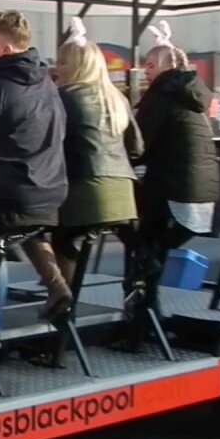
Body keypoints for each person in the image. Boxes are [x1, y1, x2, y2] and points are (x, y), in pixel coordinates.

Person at [0, 9, 71, 320]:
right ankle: (57, 285)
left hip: (11, 194)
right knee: (17, 227)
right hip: (49, 191)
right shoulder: (47, 84)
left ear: (6, 49)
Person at [51, 17, 140, 286]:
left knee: (60, 239)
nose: (57, 68)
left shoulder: (63, 98)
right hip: (124, 192)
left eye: (63, 62)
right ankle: (140, 293)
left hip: (86, 188)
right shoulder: (117, 98)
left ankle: (65, 298)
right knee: (132, 244)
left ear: (79, 66)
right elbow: (137, 146)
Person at [132, 21, 220, 284]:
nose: (145, 71)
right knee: (157, 247)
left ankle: (142, 305)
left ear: (168, 66)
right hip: (202, 190)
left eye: (150, 65)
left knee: (141, 239)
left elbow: (139, 143)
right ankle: (147, 297)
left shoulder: (162, 94)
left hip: (173, 188)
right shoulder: (192, 95)